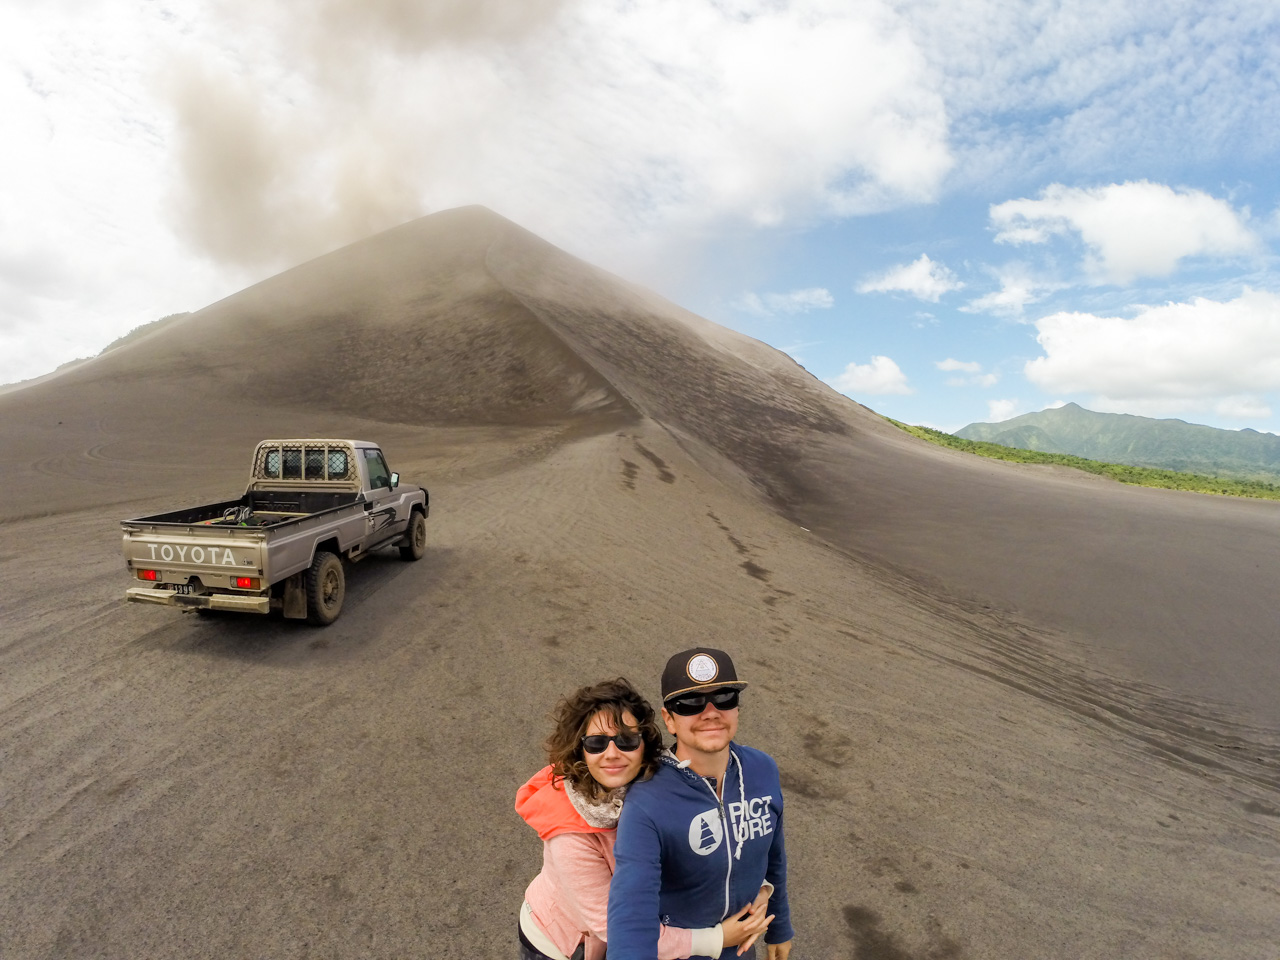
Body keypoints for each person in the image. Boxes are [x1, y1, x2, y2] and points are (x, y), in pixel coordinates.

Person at [516, 678, 774, 960]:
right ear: (580, 750)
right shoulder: (569, 837)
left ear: (644, 744)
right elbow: (621, 930)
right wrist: (717, 939)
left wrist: (758, 890)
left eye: (626, 740)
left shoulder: (659, 784)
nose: (612, 754)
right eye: (596, 743)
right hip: (565, 943)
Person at [607, 649, 795, 959]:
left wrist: (780, 926)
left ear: (737, 709)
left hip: (741, 950)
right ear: (669, 719)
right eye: (690, 703)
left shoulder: (763, 769)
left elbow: (774, 857)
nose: (710, 712)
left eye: (725, 697)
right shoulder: (647, 800)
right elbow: (632, 909)